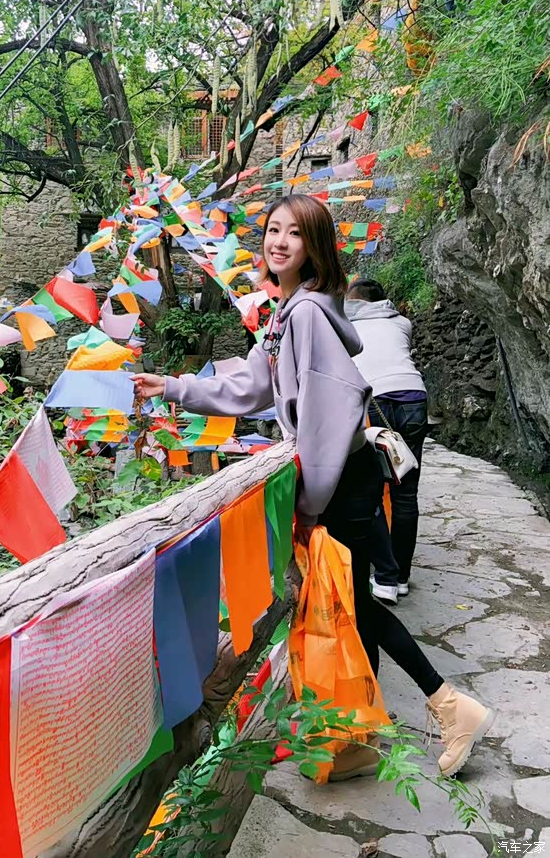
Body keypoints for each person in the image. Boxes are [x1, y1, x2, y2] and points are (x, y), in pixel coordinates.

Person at [134, 195, 493, 780]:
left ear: (315, 246)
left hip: (340, 481)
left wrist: (309, 502)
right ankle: (360, 737)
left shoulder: (304, 315)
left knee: (352, 602)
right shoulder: (288, 312)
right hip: (339, 479)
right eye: (273, 230)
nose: (279, 242)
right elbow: (250, 387)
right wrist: (173, 387)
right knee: (349, 600)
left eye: (295, 233)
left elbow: (331, 412)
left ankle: (450, 707)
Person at [345, 279, 428, 603]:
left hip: (374, 401)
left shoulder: (346, 325)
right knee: (406, 494)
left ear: (356, 301)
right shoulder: (402, 323)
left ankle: (385, 578)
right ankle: (402, 577)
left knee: (371, 491)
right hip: (413, 397)